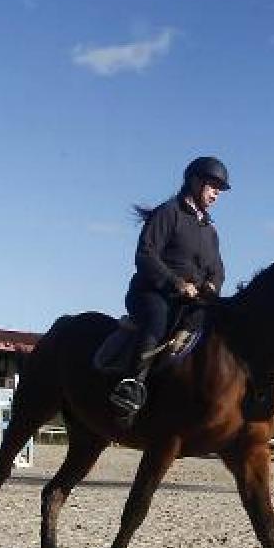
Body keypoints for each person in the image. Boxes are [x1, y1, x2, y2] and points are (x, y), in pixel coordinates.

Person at [109, 156, 230, 425]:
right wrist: (176, 283)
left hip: (193, 301)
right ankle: (130, 389)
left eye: (219, 190)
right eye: (213, 187)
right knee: (158, 319)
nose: (216, 194)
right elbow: (146, 254)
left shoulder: (210, 229)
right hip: (153, 293)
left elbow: (218, 269)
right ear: (195, 182)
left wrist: (212, 285)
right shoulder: (169, 212)